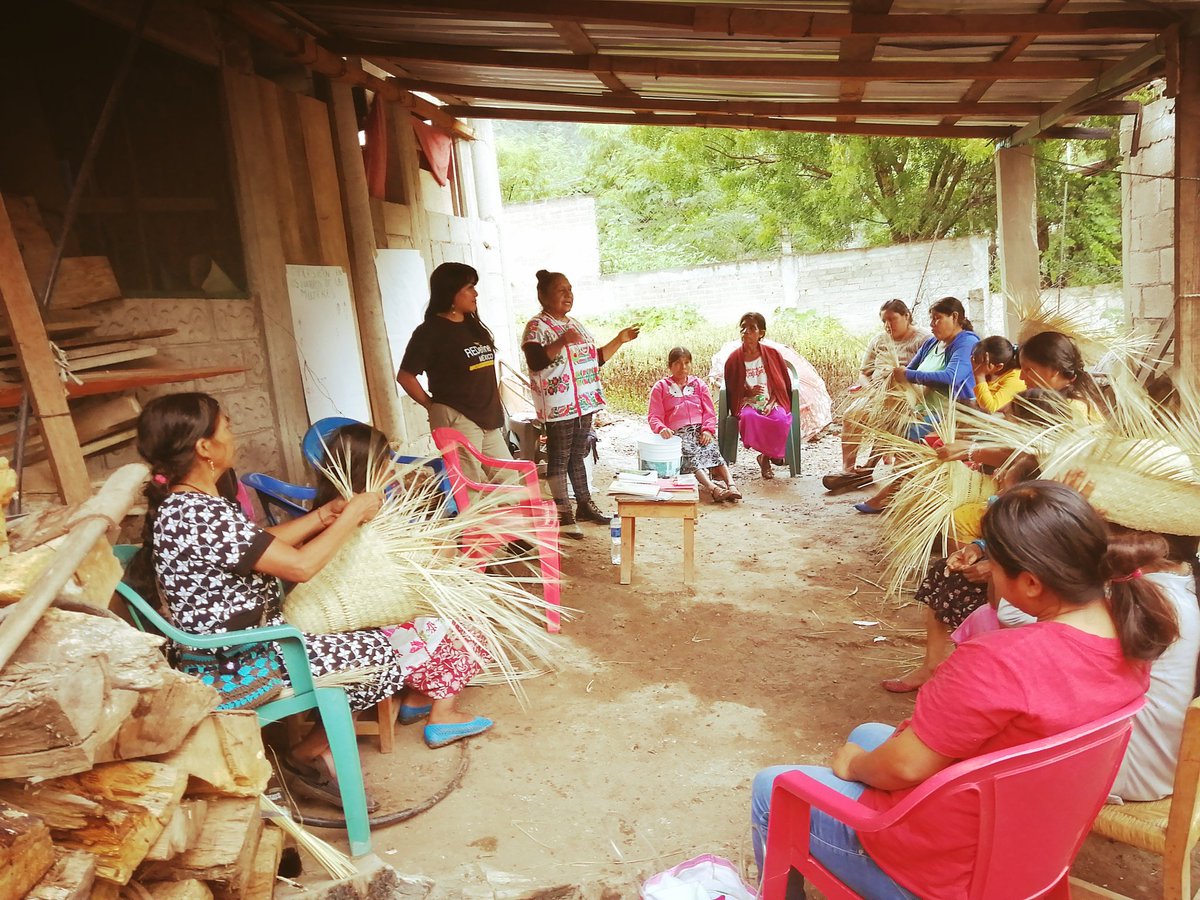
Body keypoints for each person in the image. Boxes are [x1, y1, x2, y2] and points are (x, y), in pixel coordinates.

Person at [750, 481, 1178, 898]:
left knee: (776, 786)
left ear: (1030, 583)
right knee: (866, 732)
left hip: (945, 875)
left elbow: (905, 768)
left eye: (995, 561)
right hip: (1032, 845)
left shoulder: (997, 660)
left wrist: (855, 766)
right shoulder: (1134, 634)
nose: (987, 570)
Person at [133, 394, 492, 805]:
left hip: (243, 646)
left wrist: (325, 516)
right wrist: (353, 515)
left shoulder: (193, 505)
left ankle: (309, 752)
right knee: (384, 656)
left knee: (373, 642)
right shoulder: (197, 512)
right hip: (238, 663)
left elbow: (261, 548)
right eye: (226, 426)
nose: (233, 434)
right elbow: (299, 567)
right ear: (204, 447)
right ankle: (303, 753)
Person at [522, 269, 639, 537]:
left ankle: (584, 505)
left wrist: (619, 340)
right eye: (561, 290)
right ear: (543, 295)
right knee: (559, 458)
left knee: (578, 455)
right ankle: (563, 515)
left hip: (583, 403)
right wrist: (562, 341)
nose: (568, 294)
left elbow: (593, 359)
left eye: (570, 289)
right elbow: (536, 361)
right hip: (559, 404)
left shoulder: (576, 324)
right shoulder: (536, 327)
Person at [854, 297, 980, 513]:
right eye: (931, 319)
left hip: (955, 412)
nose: (932, 324)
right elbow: (908, 371)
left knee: (911, 436)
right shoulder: (932, 343)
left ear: (955, 317)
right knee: (896, 427)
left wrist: (908, 375)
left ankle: (892, 494)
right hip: (926, 409)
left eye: (937, 319)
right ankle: (901, 494)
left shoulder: (966, 342)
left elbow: (953, 377)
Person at [397, 262, 510, 485]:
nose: (475, 293)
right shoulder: (430, 332)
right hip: (458, 416)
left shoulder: (473, 326)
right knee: (469, 483)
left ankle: (505, 520)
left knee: (510, 477)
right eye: (469, 287)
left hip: (486, 416)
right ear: (450, 292)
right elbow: (405, 376)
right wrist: (432, 406)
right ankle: (472, 520)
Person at [823, 299, 930, 493]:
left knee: (893, 417)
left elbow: (928, 374)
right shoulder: (879, 340)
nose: (888, 325)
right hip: (877, 394)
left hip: (908, 398)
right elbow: (864, 373)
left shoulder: (923, 339)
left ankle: (870, 466)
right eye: (884, 321)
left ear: (906, 316)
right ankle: (848, 470)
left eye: (893, 319)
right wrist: (872, 391)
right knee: (851, 413)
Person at [648, 346, 740, 503]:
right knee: (690, 456)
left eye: (686, 362)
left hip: (700, 431)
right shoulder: (661, 387)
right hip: (678, 434)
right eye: (677, 363)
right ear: (670, 366)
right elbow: (654, 416)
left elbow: (709, 412)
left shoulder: (699, 385)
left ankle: (731, 485)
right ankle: (713, 488)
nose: (683, 367)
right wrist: (662, 428)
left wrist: (708, 430)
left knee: (712, 451)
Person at [724, 311, 793, 480]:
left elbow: (781, 384)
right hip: (747, 403)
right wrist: (748, 393)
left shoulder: (772, 354)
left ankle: (765, 457)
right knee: (749, 418)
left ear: (761, 333)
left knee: (781, 419)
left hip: (771, 400)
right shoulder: (734, 359)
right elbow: (731, 390)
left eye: (751, 328)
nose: (745, 332)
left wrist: (771, 403)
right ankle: (770, 456)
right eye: (743, 328)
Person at [1017, 329, 1107, 421]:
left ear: (1054, 369)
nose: (1021, 377)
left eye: (1028, 370)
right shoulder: (1059, 401)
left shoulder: (1071, 408)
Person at [971, 335, 1026, 414]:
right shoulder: (992, 374)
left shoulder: (1016, 378)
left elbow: (990, 408)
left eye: (979, 363)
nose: (974, 366)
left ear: (999, 366)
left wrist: (979, 376)